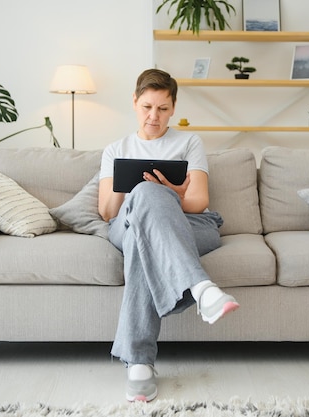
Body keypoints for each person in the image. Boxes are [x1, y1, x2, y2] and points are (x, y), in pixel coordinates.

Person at [98, 69, 240, 402]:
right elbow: (107, 212)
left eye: (162, 108)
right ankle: (203, 289)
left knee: (143, 230)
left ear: (173, 108)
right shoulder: (114, 149)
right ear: (134, 103)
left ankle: (139, 365)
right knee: (144, 198)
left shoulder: (188, 142)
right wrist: (129, 189)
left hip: (191, 224)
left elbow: (199, 201)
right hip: (126, 223)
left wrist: (171, 193)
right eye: (147, 107)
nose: (154, 116)